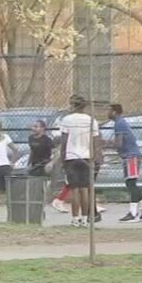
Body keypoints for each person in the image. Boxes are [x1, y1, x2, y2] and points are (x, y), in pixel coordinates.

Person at [56, 95, 99, 227]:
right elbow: (95, 141)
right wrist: (94, 156)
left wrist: (62, 157)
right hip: (86, 156)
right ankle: (85, 219)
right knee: (84, 189)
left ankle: (75, 218)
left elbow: (64, 140)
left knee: (74, 189)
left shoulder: (67, 120)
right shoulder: (91, 120)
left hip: (71, 156)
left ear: (73, 105)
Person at [108, 104, 142, 222]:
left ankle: (133, 212)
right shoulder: (120, 123)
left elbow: (119, 143)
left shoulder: (119, 123)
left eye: (109, 110)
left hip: (131, 156)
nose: (107, 113)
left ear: (114, 112)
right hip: (129, 156)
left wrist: (105, 145)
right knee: (130, 183)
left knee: (131, 183)